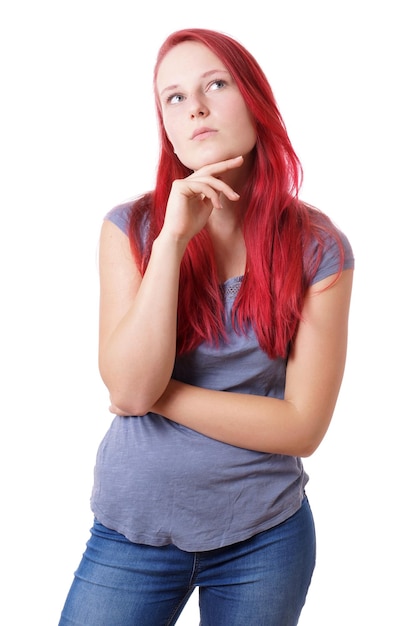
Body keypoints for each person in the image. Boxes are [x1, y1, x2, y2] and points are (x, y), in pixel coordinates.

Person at [58, 27, 354, 626]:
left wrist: (158, 397)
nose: (193, 106)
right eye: (173, 97)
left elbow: (302, 426)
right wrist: (172, 241)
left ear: (254, 100)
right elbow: (127, 388)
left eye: (214, 84)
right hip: (131, 535)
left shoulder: (319, 249)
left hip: (265, 537)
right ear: (165, 124)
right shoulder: (132, 230)